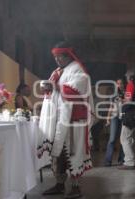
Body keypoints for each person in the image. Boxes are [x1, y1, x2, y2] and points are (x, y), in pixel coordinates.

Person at [37, 41, 94, 199]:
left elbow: (77, 90)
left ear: (68, 55)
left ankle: (76, 187)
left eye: (60, 56)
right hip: (59, 119)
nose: (57, 60)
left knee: (74, 152)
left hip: (74, 120)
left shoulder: (78, 69)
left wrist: (55, 87)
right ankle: (60, 184)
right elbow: (54, 90)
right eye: (55, 57)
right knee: (58, 153)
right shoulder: (58, 71)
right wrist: (48, 88)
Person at [118, 72, 135, 170]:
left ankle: (129, 162)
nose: (126, 79)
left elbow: (128, 100)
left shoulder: (131, 85)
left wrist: (122, 100)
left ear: (130, 78)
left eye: (126, 77)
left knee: (124, 138)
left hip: (130, 116)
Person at [104, 78, 125, 166]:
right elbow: (111, 106)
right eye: (118, 83)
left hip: (123, 117)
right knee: (112, 139)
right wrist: (108, 118)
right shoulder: (113, 94)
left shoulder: (126, 93)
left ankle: (121, 159)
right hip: (114, 117)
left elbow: (129, 103)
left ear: (123, 84)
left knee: (122, 139)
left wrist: (122, 100)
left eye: (121, 83)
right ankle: (108, 160)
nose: (119, 85)